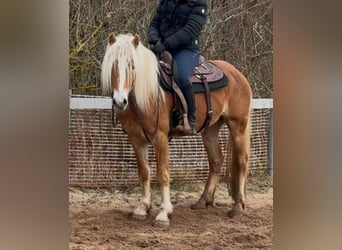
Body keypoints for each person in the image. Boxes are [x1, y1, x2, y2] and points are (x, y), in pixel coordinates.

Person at [147, 0, 208, 134]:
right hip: (164, 49)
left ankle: (191, 119)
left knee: (180, 76)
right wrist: (153, 35)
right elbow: (155, 23)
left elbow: (190, 30)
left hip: (186, 50)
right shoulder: (166, 2)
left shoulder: (199, 4)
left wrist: (164, 45)